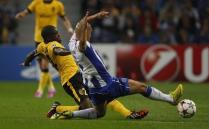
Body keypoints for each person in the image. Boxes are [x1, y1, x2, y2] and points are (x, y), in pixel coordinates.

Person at [49, 11, 183, 119]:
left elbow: (80, 26)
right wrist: (85, 30)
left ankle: (70, 114)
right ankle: (170, 99)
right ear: (84, 33)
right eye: (89, 30)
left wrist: (94, 16)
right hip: (107, 84)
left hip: (94, 89)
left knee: (99, 113)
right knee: (141, 87)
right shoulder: (80, 45)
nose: (90, 32)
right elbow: (83, 42)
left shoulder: (71, 43)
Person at [22, 12, 150, 120]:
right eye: (57, 34)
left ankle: (128, 114)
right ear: (50, 37)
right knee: (87, 108)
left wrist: (27, 61)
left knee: (103, 96)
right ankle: (59, 109)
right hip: (71, 79)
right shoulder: (52, 45)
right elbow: (57, 51)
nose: (59, 36)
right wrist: (69, 52)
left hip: (79, 75)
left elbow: (34, 53)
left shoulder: (42, 45)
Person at [15, 0, 74, 98]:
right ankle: (51, 88)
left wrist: (70, 29)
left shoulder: (57, 4)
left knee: (44, 63)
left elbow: (64, 18)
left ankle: (40, 90)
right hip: (38, 37)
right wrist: (20, 15)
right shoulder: (36, 3)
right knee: (42, 66)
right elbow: (27, 11)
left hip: (51, 38)